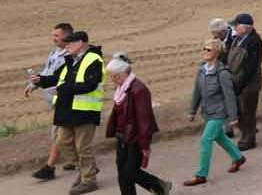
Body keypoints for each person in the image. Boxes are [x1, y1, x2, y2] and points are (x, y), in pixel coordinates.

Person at [34, 30, 103, 194]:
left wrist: (62, 89)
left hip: (84, 112)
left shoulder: (94, 59)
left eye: (69, 44)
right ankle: (88, 169)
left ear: (80, 43)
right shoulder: (70, 61)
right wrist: (40, 80)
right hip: (67, 111)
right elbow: (57, 77)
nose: (66, 48)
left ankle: (89, 180)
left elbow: (90, 85)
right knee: (62, 142)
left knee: (83, 147)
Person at [183, 38, 246, 186]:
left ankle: (201, 174)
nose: (205, 52)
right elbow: (197, 92)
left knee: (206, 139)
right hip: (207, 112)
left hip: (219, 112)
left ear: (217, 52)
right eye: (204, 49)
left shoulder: (223, 73)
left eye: (208, 49)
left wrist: (233, 117)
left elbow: (229, 96)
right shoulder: (201, 70)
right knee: (219, 137)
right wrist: (192, 111)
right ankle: (238, 157)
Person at [104, 53, 169, 195]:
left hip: (135, 137)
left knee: (130, 172)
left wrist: (144, 145)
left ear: (123, 73)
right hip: (122, 135)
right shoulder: (122, 88)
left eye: (114, 76)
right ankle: (159, 187)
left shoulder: (139, 89)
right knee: (122, 172)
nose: (112, 79)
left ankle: (159, 186)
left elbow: (144, 119)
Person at [26, 23, 72, 183]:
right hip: (55, 102)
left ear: (67, 36)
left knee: (58, 134)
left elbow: (61, 78)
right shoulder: (54, 52)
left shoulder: (70, 56)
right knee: (69, 133)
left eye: (56, 36)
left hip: (65, 102)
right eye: (53, 36)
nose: (53, 39)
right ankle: (77, 161)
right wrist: (33, 85)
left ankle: (49, 168)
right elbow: (46, 72)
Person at [225, 14, 262, 150]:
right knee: (241, 111)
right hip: (238, 82)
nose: (234, 27)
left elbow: (250, 68)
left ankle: (249, 140)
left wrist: (239, 85)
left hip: (249, 84)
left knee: (248, 112)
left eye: (236, 25)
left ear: (246, 28)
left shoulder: (254, 41)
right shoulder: (238, 39)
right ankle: (245, 135)